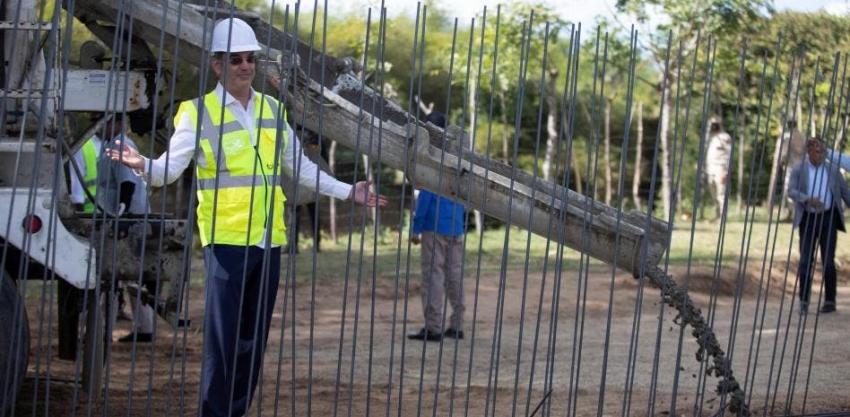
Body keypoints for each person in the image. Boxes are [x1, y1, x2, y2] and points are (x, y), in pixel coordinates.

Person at [108, 17, 386, 417]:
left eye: (250, 58)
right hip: (226, 244)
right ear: (218, 65)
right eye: (235, 59)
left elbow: (300, 170)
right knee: (223, 345)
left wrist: (349, 191)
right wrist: (141, 164)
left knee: (251, 345)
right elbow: (168, 171)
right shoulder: (196, 112)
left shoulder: (272, 110)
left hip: (268, 242)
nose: (245, 66)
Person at [70, 115, 156, 342]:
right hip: (118, 217)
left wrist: (122, 209)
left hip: (127, 219)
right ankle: (139, 328)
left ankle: (135, 329)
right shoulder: (109, 145)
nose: (101, 127)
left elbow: (127, 181)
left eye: (105, 122)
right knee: (123, 275)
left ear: (117, 122)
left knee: (123, 274)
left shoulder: (121, 144)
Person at [408, 111, 467, 342]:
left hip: (434, 225)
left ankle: (433, 327)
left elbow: (426, 197)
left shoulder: (431, 156)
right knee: (455, 273)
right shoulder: (458, 156)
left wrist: (416, 227)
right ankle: (457, 324)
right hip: (455, 225)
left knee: (433, 275)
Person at [787, 138, 850, 314]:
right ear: (809, 152)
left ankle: (830, 301)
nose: (820, 155)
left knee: (829, 261)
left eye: (823, 151)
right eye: (817, 151)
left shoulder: (833, 170)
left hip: (828, 219)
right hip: (808, 219)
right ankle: (804, 301)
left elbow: (845, 193)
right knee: (806, 260)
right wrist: (807, 199)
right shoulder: (799, 169)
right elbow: (791, 190)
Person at [704, 116, 733, 220]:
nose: (713, 126)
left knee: (721, 194)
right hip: (710, 169)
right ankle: (717, 215)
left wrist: (725, 171)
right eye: (712, 124)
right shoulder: (711, 138)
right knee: (714, 195)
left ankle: (723, 217)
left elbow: (728, 155)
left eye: (715, 124)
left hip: (720, 168)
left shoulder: (725, 137)